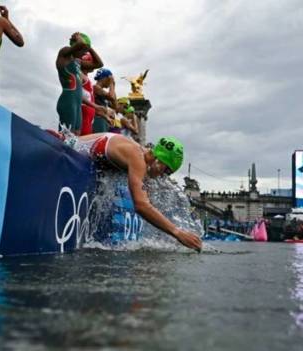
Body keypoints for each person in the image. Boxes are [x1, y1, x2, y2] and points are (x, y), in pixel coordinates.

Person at [75, 133, 203, 252]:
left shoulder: (144, 159)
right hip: (72, 148)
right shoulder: (138, 159)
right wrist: (177, 233)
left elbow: (152, 205)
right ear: (159, 160)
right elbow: (141, 206)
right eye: (167, 171)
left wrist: (168, 240)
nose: (162, 176)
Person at [56, 32, 103, 135]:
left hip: (77, 103)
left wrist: (89, 47)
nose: (84, 54)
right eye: (83, 51)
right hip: (68, 100)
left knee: (76, 137)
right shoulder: (64, 53)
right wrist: (79, 39)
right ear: (76, 45)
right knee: (66, 136)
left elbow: (99, 64)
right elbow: (80, 44)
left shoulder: (77, 62)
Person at [92, 69, 116, 133]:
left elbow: (115, 106)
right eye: (109, 79)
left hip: (103, 119)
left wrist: (113, 85)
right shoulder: (95, 87)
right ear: (104, 78)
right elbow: (111, 97)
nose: (110, 82)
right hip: (97, 119)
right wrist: (112, 84)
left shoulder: (103, 92)